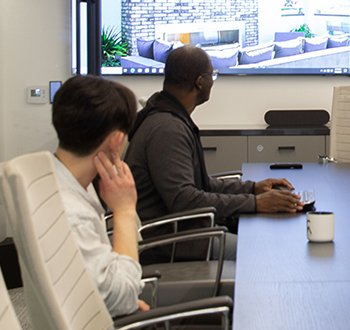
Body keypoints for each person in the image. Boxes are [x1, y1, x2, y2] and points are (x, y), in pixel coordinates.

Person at [45, 74, 223, 330]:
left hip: (106, 325)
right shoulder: (72, 210)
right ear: (117, 140)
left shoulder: (63, 183)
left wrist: (123, 300)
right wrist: (125, 210)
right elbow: (124, 295)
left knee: (221, 320)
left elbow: (108, 287)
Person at [125, 44, 303, 261]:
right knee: (266, 248)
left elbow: (198, 185)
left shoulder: (168, 116)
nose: (212, 81)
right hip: (175, 244)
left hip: (185, 231)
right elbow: (186, 200)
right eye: (213, 75)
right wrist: (256, 203)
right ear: (200, 82)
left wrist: (253, 188)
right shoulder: (167, 129)